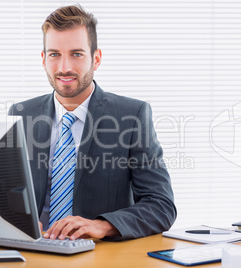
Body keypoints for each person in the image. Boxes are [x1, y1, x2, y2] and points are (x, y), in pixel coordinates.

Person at [10, 5, 176, 241]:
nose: (64, 67)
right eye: (54, 54)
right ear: (43, 59)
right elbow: (4, 195)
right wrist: (12, 218)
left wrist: (104, 225)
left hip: (99, 256)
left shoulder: (132, 116)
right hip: (34, 251)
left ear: (96, 59)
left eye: (76, 54)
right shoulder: (20, 115)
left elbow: (161, 206)